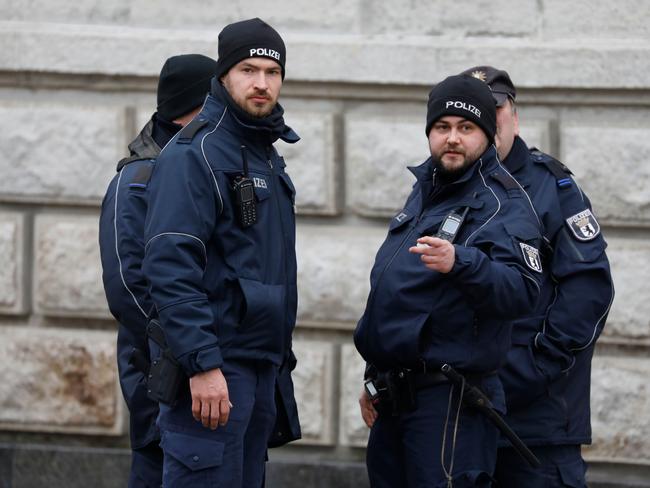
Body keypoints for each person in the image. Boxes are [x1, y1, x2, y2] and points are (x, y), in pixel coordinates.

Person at [354, 74, 545, 487]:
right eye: (442, 127)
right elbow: (394, 294)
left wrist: (462, 261)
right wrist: (375, 375)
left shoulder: (504, 204)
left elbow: (522, 292)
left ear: (488, 134)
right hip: (395, 397)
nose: (453, 138)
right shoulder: (425, 192)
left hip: (450, 401)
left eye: (466, 128)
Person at [141, 18, 300, 488]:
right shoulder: (196, 154)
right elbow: (171, 267)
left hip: (258, 369)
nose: (261, 83)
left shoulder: (265, 155)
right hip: (212, 375)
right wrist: (203, 363)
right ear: (225, 74)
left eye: (272, 73)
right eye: (249, 70)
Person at [461, 65, 614, 487]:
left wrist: (531, 369)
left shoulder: (553, 187)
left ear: (514, 114)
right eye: (474, 110)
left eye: (496, 109)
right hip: (458, 420)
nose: (487, 121)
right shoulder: (442, 186)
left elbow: (589, 292)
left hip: (536, 426)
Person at [99, 53, 218, 488]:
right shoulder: (137, 180)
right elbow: (128, 288)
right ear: (201, 103)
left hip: (206, 369)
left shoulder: (202, 168)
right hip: (162, 375)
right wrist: (189, 347)